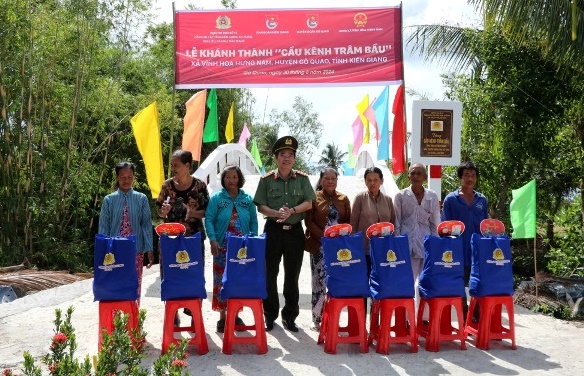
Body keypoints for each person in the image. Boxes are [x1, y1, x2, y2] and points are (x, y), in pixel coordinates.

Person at [253, 136, 316, 332]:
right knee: (270, 274)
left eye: (290, 155)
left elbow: (309, 202)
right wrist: (274, 213)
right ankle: (269, 315)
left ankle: (290, 316)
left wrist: (293, 211)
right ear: (276, 158)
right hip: (273, 231)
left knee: (292, 276)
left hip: (294, 233)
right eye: (282, 155)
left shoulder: (303, 179)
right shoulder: (266, 180)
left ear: (294, 159)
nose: (286, 158)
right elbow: (260, 206)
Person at [205, 165, 259, 333]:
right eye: (228, 177)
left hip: (241, 248)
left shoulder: (247, 199)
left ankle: (235, 314)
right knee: (221, 280)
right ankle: (222, 317)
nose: (231, 180)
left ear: (239, 179)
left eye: (235, 177)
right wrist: (213, 239)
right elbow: (209, 219)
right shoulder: (216, 199)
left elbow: (254, 221)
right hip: (221, 246)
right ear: (223, 179)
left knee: (238, 280)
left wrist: (252, 239)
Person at [98, 161, 154, 306]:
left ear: (134, 178)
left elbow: (146, 225)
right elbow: (103, 227)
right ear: (117, 177)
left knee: (135, 285)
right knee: (115, 285)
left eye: (130, 177)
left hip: (136, 250)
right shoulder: (109, 200)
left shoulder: (141, 198)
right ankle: (117, 323)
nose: (126, 180)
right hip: (114, 252)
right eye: (123, 177)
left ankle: (134, 322)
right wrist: (104, 250)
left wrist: (149, 248)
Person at [304, 167, 351, 332]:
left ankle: (333, 318)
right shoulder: (313, 198)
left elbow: (348, 222)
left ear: (337, 180)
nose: (330, 181)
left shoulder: (343, 199)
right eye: (327, 179)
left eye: (333, 179)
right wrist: (324, 236)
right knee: (318, 282)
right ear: (321, 180)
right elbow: (308, 222)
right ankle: (317, 319)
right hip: (319, 246)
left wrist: (338, 238)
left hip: (338, 249)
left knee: (336, 283)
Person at [441, 161, 488, 321]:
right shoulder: (450, 200)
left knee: (478, 284)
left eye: (473, 175)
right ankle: (465, 316)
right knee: (459, 285)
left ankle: (478, 317)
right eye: (466, 175)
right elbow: (445, 228)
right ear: (460, 177)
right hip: (458, 251)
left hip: (478, 252)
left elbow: (486, 226)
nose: (470, 178)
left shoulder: (482, 200)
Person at [393, 163, 441, 318]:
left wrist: (435, 247)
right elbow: (397, 223)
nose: (415, 176)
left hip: (426, 245)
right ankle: (406, 319)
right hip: (406, 246)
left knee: (425, 283)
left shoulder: (432, 196)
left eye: (419, 173)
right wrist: (398, 246)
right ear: (408, 176)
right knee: (406, 283)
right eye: (412, 173)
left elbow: (435, 224)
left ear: (424, 177)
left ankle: (424, 319)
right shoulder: (400, 196)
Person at [156, 149, 210, 250]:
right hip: (171, 237)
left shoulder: (199, 185)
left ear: (187, 166)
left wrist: (193, 213)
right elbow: (159, 211)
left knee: (194, 265)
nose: (173, 168)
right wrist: (163, 211)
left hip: (194, 237)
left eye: (176, 165)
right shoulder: (167, 185)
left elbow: (208, 211)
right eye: (172, 165)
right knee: (170, 265)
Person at [350, 166, 396, 277]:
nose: (372, 183)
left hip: (384, 249)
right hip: (364, 249)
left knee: (382, 281)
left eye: (375, 180)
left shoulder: (388, 200)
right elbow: (353, 224)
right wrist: (355, 247)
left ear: (382, 181)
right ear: (365, 182)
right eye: (369, 180)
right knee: (364, 280)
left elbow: (393, 224)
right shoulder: (360, 198)